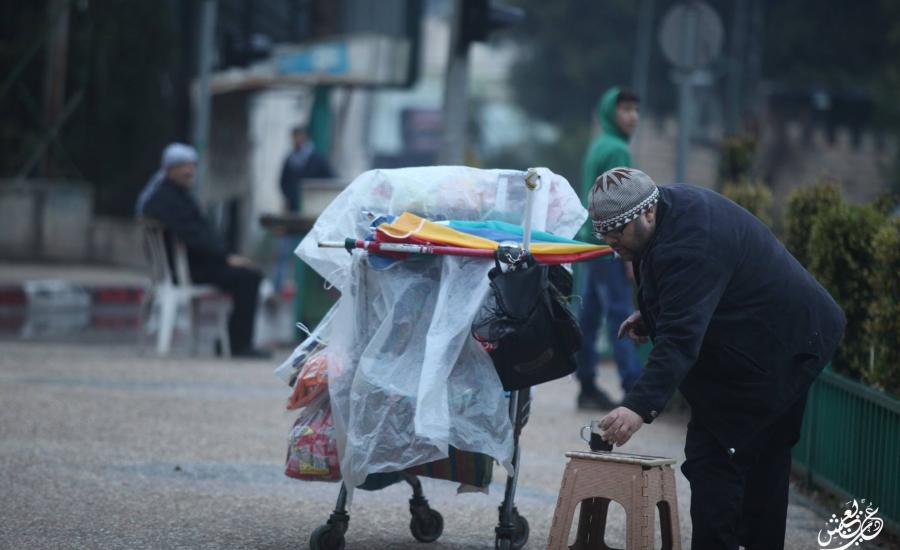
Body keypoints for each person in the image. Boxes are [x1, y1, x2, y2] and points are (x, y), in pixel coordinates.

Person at [589, 167, 845, 549]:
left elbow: (680, 337)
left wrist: (637, 407)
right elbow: (690, 293)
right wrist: (653, 314)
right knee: (761, 467)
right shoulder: (665, 214)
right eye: (603, 233)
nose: (612, 242)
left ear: (647, 213)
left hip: (782, 347)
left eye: (618, 230)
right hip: (776, 338)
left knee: (716, 462)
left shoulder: (692, 242)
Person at [138, 143, 270, 359]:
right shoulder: (167, 199)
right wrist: (226, 258)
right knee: (249, 278)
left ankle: (231, 341)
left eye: (192, 165)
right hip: (187, 270)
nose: (189, 171)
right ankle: (238, 345)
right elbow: (195, 238)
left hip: (190, 266)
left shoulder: (174, 195)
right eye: (183, 166)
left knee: (248, 275)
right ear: (170, 169)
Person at [575, 86, 643, 410]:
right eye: (625, 110)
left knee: (589, 315)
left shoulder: (598, 145)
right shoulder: (618, 150)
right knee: (619, 313)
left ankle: (586, 383)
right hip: (611, 243)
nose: (633, 117)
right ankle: (634, 387)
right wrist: (630, 252)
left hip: (591, 240)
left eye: (635, 110)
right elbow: (622, 203)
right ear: (610, 113)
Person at [279, 125, 333, 213]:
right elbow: (283, 182)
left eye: (299, 137)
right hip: (294, 208)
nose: (296, 140)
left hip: (314, 205)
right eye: (294, 137)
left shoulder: (317, 159)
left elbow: (329, 179)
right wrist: (291, 196)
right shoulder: (290, 160)